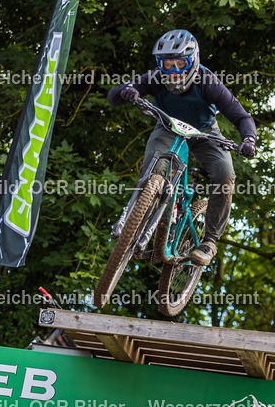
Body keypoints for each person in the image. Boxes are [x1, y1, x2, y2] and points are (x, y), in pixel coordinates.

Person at [106, 29, 257, 266]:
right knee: (154, 166)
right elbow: (114, 96)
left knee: (225, 175)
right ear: (159, 65)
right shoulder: (156, 78)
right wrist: (127, 91)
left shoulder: (208, 82)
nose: (174, 72)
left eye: (180, 64)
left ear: (193, 61)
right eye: (167, 65)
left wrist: (248, 140)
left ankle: (208, 242)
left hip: (205, 133)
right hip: (168, 128)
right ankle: (138, 218)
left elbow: (241, 117)